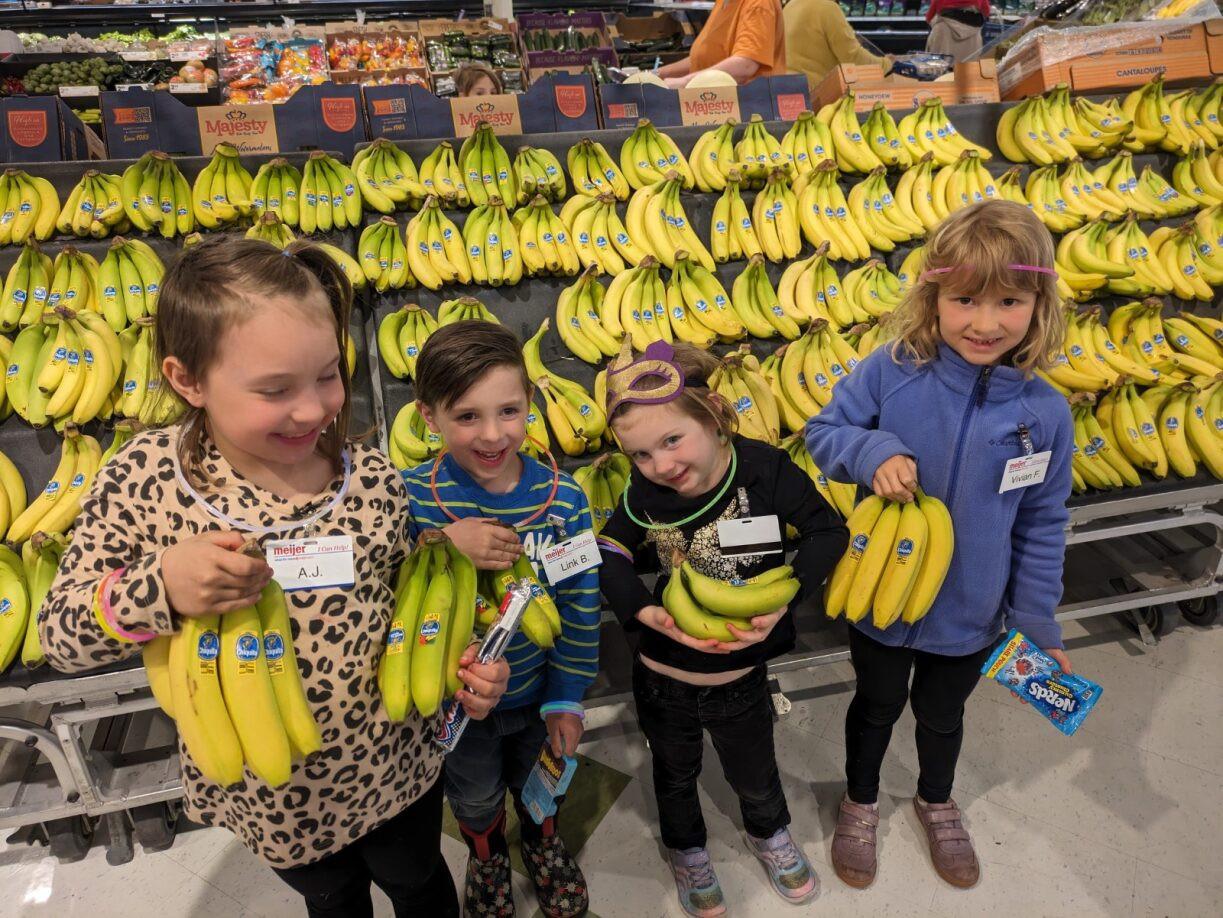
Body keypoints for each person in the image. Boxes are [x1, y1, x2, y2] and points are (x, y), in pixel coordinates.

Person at [37, 237, 510, 918]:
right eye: (274, 389)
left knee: (418, 880)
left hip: (394, 765)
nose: (314, 410)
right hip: (272, 792)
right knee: (333, 898)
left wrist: (463, 662)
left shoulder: (371, 478)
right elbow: (63, 636)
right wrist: (159, 585)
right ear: (186, 379)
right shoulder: (144, 482)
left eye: (327, 374)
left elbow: (401, 600)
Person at [805, 199, 1074, 891]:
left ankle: (934, 799)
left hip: (970, 611)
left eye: (1008, 301)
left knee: (942, 714)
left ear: (1038, 302)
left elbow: (1043, 521)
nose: (984, 324)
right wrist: (871, 452)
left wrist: (1036, 619)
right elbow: (824, 434)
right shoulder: (892, 369)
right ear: (933, 294)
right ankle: (859, 802)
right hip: (882, 597)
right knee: (874, 705)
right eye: (964, 301)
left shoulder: (1043, 413)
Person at [597, 340, 848, 918]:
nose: (660, 465)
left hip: (741, 674)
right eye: (639, 455)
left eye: (671, 440)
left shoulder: (764, 470)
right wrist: (641, 609)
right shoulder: (647, 495)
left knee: (755, 771)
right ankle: (686, 851)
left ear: (712, 413)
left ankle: (771, 834)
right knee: (674, 773)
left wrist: (789, 595)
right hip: (664, 675)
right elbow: (610, 549)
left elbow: (826, 532)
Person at [403, 321, 600, 918]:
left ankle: (543, 845)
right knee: (474, 794)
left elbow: (581, 603)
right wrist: (439, 540)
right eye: (466, 416)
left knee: (542, 783)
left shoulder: (566, 502)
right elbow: (387, 587)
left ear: (531, 404)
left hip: (539, 693)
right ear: (428, 417)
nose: (492, 435)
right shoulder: (409, 499)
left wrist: (567, 696)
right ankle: (485, 856)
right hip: (455, 704)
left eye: (508, 411)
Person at [657, 0, 786, 87]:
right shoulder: (723, 2)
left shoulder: (759, 3)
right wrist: (655, 75)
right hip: (716, 103)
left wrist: (684, 82)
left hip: (750, 108)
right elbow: (703, 58)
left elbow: (745, 65)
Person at [783, 0, 890, 92]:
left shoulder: (790, 6)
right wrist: (887, 64)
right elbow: (853, 58)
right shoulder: (827, 8)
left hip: (789, 92)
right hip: (817, 97)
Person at [925, 0, 990, 62]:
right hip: (973, 33)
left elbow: (930, 16)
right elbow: (986, 11)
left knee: (938, 67)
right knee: (969, 69)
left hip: (944, 30)